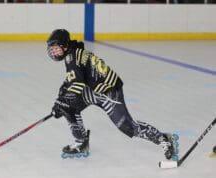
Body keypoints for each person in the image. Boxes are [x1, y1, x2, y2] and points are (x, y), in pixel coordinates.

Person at [47, 29, 179, 160]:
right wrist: (60, 102)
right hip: (94, 90)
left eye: (55, 48)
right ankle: (81, 142)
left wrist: (62, 103)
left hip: (109, 92)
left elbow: (77, 85)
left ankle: (163, 138)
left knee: (127, 127)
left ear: (65, 45)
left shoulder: (72, 58)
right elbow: (70, 82)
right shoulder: (74, 53)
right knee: (68, 107)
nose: (53, 52)